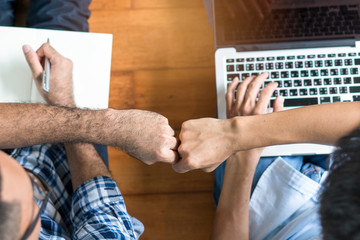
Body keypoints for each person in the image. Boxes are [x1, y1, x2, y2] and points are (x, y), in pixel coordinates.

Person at [0, 2, 178, 239]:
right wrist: (77, 108)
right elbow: (99, 209)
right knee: (62, 13)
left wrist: (104, 123)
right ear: (34, 228)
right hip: (70, 169)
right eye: (36, 194)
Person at [174, 73, 360, 239]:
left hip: (268, 209)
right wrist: (242, 131)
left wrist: (242, 155)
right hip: (347, 171)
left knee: (241, 97)